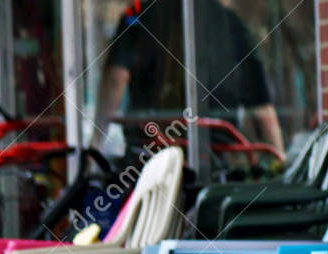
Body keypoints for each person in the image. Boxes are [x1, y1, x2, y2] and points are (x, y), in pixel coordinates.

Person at [93, 0, 284, 157]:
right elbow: (262, 108)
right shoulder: (230, 22)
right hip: (216, 160)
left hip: (152, 157)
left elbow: (115, 81)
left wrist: (96, 143)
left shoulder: (138, 17)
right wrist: (279, 159)